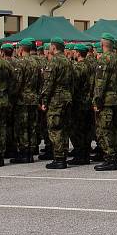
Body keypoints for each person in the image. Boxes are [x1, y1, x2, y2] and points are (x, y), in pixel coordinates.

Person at [39, 38, 74, 169]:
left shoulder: (54, 61)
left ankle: (59, 158)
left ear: (53, 48)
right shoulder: (68, 61)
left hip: (56, 99)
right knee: (64, 128)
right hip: (66, 98)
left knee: (55, 129)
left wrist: (44, 101)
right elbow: (72, 82)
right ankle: (63, 154)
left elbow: (48, 84)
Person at [92, 33, 117, 171]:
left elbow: (100, 83)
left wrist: (96, 101)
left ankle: (110, 159)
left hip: (107, 101)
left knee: (104, 130)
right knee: (115, 130)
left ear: (102, 44)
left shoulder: (104, 60)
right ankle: (115, 156)